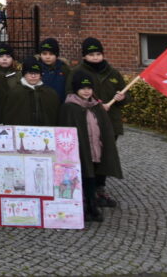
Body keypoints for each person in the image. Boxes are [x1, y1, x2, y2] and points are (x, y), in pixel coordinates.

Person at [69, 37, 129, 208]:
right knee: (88, 157)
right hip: (87, 123)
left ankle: (100, 189)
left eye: (98, 54)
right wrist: (94, 105)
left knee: (105, 156)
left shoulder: (113, 73)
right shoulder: (77, 72)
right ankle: (87, 190)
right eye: (91, 54)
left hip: (110, 123)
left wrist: (122, 97)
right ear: (84, 56)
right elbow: (71, 94)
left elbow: (125, 98)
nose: (95, 57)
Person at [59, 75, 122, 223]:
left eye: (89, 88)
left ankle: (93, 205)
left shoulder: (96, 106)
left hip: (95, 149)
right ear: (76, 90)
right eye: (82, 88)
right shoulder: (69, 107)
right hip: (79, 150)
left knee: (92, 177)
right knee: (81, 177)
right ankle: (83, 206)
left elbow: (103, 128)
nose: (86, 91)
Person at [4, 57, 61, 126]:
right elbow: (9, 115)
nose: (33, 76)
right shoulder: (14, 92)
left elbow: (55, 116)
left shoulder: (50, 93)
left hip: (45, 132)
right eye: (30, 73)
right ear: (24, 74)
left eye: (36, 73)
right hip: (22, 132)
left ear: (41, 75)